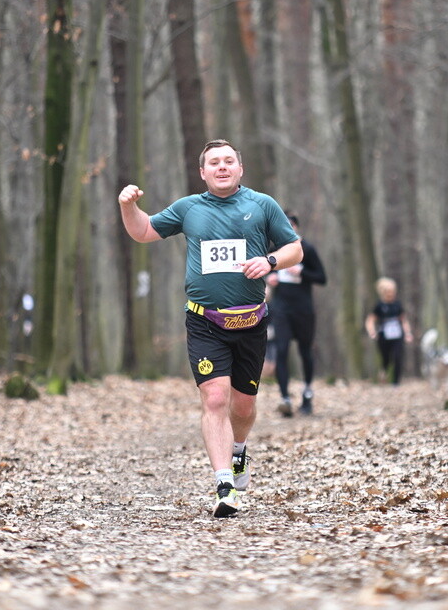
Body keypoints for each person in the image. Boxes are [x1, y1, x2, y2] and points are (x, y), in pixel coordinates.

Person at [118, 139, 303, 518]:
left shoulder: (262, 205)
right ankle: (224, 485)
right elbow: (143, 232)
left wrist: (269, 261)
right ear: (203, 172)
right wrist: (128, 205)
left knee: (244, 405)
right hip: (205, 321)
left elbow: (295, 250)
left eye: (229, 161)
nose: (222, 167)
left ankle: (238, 451)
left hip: (251, 321)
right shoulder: (189, 208)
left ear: (240, 168)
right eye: (214, 162)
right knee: (215, 399)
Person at [267, 213, 326, 416]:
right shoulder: (273, 250)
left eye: (291, 226)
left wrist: (301, 272)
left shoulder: (307, 249)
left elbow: (322, 277)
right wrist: (270, 276)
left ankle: (307, 393)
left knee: (304, 351)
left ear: (296, 228)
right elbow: (263, 271)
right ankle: (285, 398)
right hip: (281, 308)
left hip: (304, 309)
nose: (287, 229)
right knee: (281, 351)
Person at [365, 276, 413, 385]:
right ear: (383, 292)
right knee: (385, 358)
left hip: (397, 335)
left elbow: (404, 320)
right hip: (383, 336)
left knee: (397, 356)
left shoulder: (397, 304)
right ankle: (383, 371)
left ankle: (396, 383)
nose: (391, 294)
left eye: (393, 292)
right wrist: (372, 332)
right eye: (389, 292)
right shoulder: (379, 306)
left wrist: (408, 333)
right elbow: (370, 320)